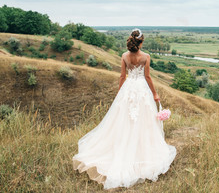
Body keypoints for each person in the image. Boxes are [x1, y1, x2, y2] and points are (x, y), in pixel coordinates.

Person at [72, 28, 176, 190]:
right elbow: (147, 76)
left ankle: (121, 147)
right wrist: (155, 94)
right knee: (143, 120)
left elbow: (122, 76)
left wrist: (121, 93)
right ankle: (142, 153)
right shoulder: (146, 57)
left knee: (123, 119)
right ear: (141, 42)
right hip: (141, 90)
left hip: (128, 89)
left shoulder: (124, 56)